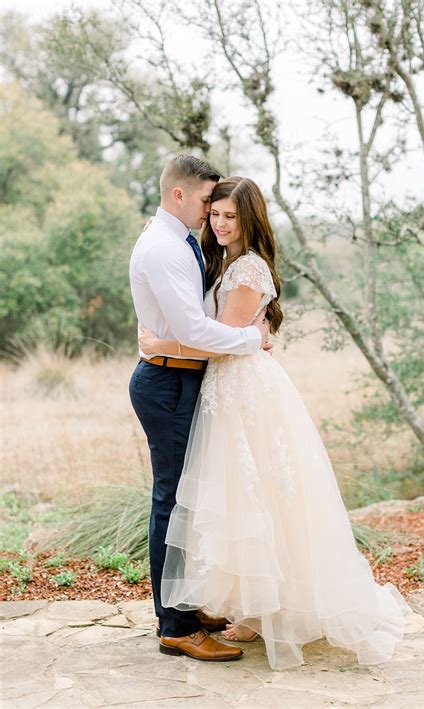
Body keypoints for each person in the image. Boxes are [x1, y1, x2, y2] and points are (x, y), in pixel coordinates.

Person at [138, 175, 411, 671]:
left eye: (229, 216)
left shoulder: (248, 270)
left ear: (250, 219)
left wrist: (161, 345)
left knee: (261, 494)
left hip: (242, 389)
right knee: (245, 494)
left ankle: (269, 607)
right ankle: (251, 604)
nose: (219, 223)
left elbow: (222, 339)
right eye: (215, 213)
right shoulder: (219, 258)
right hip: (226, 386)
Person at [129, 156, 270, 663]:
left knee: (186, 498)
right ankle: (176, 627)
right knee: (173, 501)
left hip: (181, 375)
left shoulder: (178, 241)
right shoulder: (165, 247)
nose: (215, 213)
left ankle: (186, 609)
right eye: (209, 202)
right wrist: (251, 338)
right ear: (180, 196)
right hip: (168, 378)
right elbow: (193, 332)